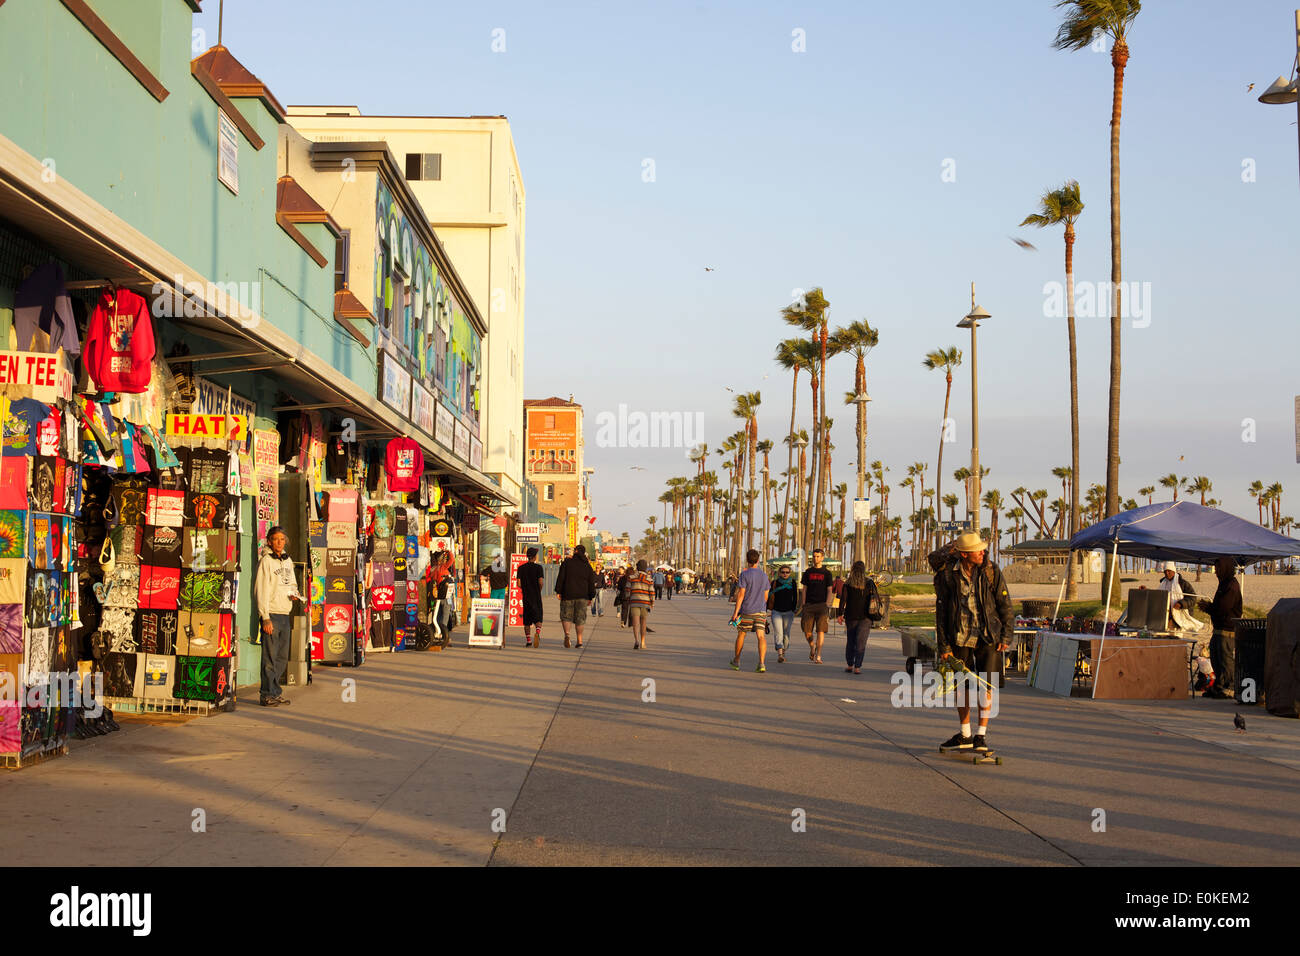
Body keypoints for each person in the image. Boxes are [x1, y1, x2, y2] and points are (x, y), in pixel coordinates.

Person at [933, 532, 1014, 752]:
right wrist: (944, 646)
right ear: (965, 554)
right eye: (977, 550)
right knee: (961, 687)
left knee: (987, 686)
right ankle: (965, 733)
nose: (982, 552)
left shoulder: (990, 570)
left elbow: (1004, 603)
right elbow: (941, 612)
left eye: (982, 549)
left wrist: (1006, 635)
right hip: (959, 637)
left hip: (988, 637)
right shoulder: (948, 574)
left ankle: (981, 736)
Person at [255, 526, 303, 706]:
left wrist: (294, 594)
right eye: (276, 539)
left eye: (282, 539)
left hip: (285, 613)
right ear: (269, 541)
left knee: (282, 657)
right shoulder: (266, 561)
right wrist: (264, 616)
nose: (279, 542)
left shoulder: (288, 560)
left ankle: (275, 692)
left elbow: (293, 584)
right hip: (272, 614)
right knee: (269, 657)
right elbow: (260, 590)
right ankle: (266, 694)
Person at [1197, 557, 1242, 699]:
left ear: (1226, 568)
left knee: (1225, 660)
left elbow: (1223, 608)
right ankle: (1219, 686)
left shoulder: (1231, 585)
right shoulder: (1224, 584)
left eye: (1218, 569)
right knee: (1216, 659)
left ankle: (1228, 688)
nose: (1216, 572)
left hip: (1227, 630)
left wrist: (1208, 608)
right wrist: (1209, 608)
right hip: (1219, 628)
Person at [837, 561, 881, 674]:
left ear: (852, 569)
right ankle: (857, 667)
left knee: (850, 641)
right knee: (861, 642)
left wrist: (839, 614)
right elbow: (876, 598)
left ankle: (850, 665)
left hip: (851, 616)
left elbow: (843, 600)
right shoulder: (869, 582)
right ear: (863, 570)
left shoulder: (848, 583)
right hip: (866, 616)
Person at [729, 549, 770, 672]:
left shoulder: (744, 575)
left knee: (741, 634)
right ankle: (762, 663)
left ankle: (736, 661)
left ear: (747, 560)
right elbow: (766, 595)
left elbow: (741, 595)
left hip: (747, 610)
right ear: (758, 560)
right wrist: (762, 605)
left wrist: (735, 613)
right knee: (761, 636)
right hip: (761, 610)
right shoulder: (764, 575)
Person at [555, 544, 597, 648]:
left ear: (575, 551)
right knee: (580, 618)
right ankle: (579, 640)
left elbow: (561, 578)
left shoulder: (567, 563)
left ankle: (567, 635)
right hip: (582, 596)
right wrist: (591, 596)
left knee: (566, 616)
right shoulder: (587, 566)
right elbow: (591, 582)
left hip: (567, 594)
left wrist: (558, 591)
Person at [800, 549, 833, 663]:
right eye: (814, 556)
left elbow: (830, 590)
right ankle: (812, 646)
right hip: (809, 605)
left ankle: (818, 655)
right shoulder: (808, 572)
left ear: (822, 558)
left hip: (822, 605)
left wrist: (827, 604)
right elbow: (804, 589)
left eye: (818, 556)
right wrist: (803, 604)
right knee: (807, 630)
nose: (816, 558)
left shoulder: (827, 573)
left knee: (820, 630)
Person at [1157, 561, 1204, 635]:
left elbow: (1192, 598)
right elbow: (1158, 595)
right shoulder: (1162, 583)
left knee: (1176, 638)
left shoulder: (1182, 583)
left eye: (1169, 571)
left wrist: (1181, 604)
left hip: (1178, 616)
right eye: (1165, 572)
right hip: (1165, 617)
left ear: (1173, 571)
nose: (1167, 573)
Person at [767, 564, 798, 664]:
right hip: (776, 611)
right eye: (783, 572)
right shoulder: (774, 583)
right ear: (779, 573)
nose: (785, 574)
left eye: (787, 572)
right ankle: (780, 653)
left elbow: (795, 597)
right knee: (778, 632)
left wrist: (794, 609)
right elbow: (769, 596)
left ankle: (784, 650)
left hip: (789, 612)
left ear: (790, 573)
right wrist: (767, 609)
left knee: (786, 633)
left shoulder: (793, 582)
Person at [518, 547, 545, 647]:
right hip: (536, 596)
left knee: (527, 621)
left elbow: (518, 583)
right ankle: (537, 633)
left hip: (526, 597)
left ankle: (528, 640)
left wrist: (525, 588)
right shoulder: (539, 568)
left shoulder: (521, 568)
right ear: (534, 557)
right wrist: (538, 590)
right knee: (538, 618)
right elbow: (541, 582)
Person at [627, 559, 656, 649]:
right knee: (643, 623)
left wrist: (629, 599)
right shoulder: (649, 579)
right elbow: (652, 592)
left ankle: (636, 641)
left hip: (634, 602)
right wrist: (652, 602)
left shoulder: (631, 577)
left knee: (635, 623)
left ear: (637, 567)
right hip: (645, 603)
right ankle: (643, 642)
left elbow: (627, 590)